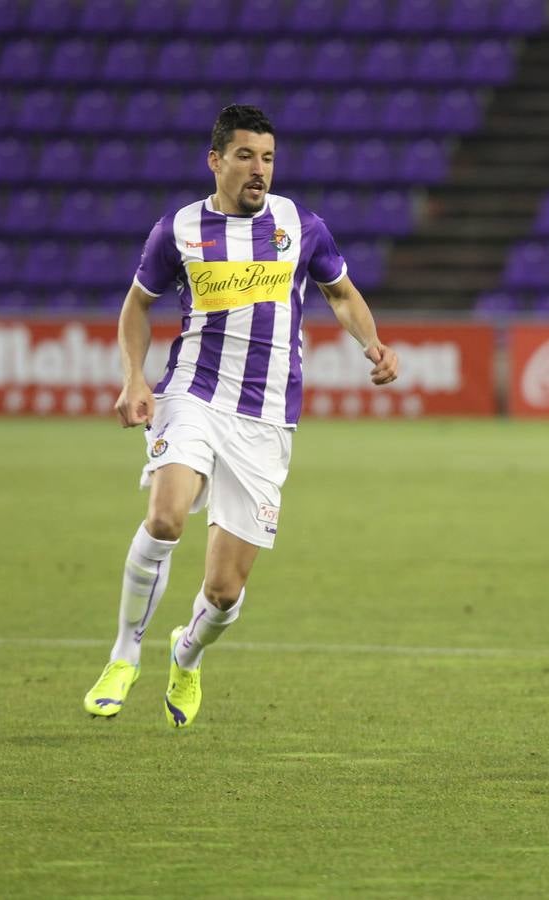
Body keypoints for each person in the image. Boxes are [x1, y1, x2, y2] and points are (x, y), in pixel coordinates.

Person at [82, 105, 400, 727]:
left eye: (269, 159)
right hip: (193, 394)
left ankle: (186, 652)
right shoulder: (177, 230)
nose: (260, 171)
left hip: (266, 418)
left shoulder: (301, 225)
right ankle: (124, 654)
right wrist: (132, 378)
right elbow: (136, 308)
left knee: (224, 593)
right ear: (216, 160)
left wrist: (373, 343)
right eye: (247, 157)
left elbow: (340, 293)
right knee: (166, 516)